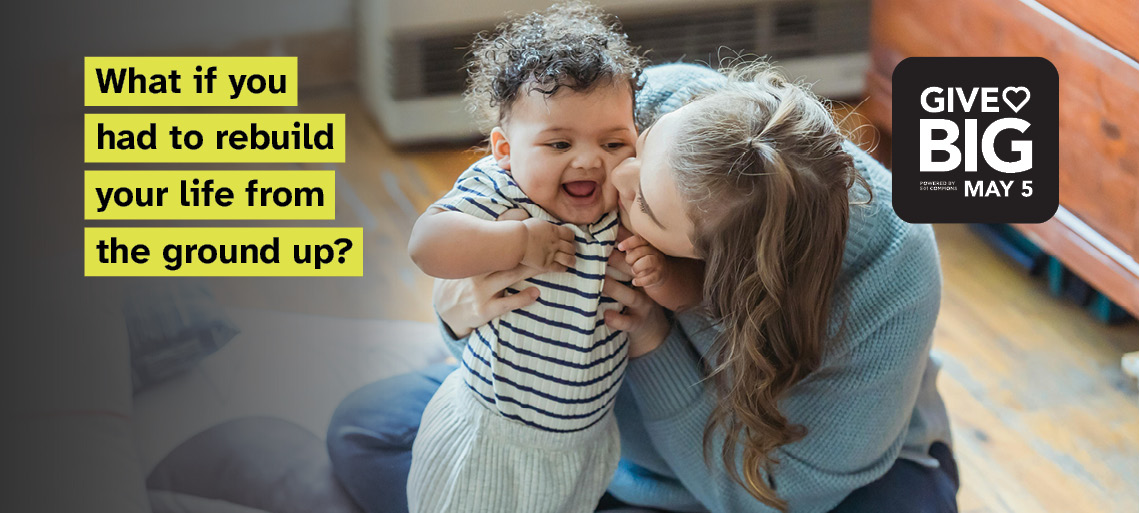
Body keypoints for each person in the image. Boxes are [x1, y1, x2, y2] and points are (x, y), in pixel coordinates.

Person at [329, 61, 958, 513]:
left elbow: (784, 493)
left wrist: (654, 342)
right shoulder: (649, 106)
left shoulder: (892, 276)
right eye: (643, 147)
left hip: (783, 480)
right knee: (367, 432)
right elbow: (484, 235)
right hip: (587, 426)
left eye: (646, 207)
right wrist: (463, 309)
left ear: (722, 274)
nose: (615, 175)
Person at [401, 3, 693, 512]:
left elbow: (695, 292)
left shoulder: (627, 202)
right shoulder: (502, 192)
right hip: (491, 435)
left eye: (613, 142)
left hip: (581, 446)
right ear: (505, 149)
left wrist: (663, 275)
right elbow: (427, 244)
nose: (588, 160)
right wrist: (516, 244)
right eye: (559, 143)